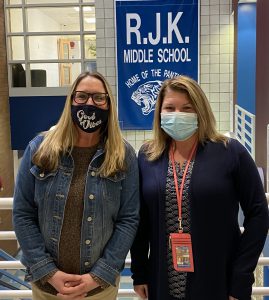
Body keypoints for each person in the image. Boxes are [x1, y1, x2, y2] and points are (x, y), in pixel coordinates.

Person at [130, 75, 269, 300]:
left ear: (200, 110)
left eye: (187, 108)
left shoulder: (231, 152)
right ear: (159, 113)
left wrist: (241, 276)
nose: (178, 114)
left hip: (218, 281)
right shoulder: (147, 156)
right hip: (162, 282)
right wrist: (139, 272)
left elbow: (259, 214)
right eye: (170, 108)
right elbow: (140, 219)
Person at [13, 71, 139, 300]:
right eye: (81, 96)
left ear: (109, 104)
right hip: (47, 287)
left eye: (98, 98)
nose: (90, 103)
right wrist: (49, 273)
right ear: (71, 100)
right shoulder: (39, 149)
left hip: (99, 289)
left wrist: (97, 276)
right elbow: (22, 214)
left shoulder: (123, 155)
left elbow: (128, 219)